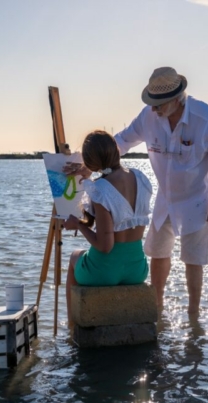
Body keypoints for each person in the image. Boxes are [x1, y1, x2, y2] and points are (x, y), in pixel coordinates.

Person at [112, 66, 208, 315]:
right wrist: (88, 159)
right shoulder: (148, 115)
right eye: (152, 103)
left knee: (193, 258)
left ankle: (193, 313)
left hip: (198, 197)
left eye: (160, 104)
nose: (154, 109)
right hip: (166, 196)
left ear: (178, 99)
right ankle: (157, 307)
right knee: (158, 251)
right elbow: (122, 141)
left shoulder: (207, 118)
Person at [63, 130, 153, 326]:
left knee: (74, 257)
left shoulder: (100, 189)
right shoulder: (141, 178)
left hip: (106, 270)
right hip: (137, 268)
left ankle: (72, 326)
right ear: (116, 151)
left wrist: (77, 224)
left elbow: (105, 246)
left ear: (92, 161)